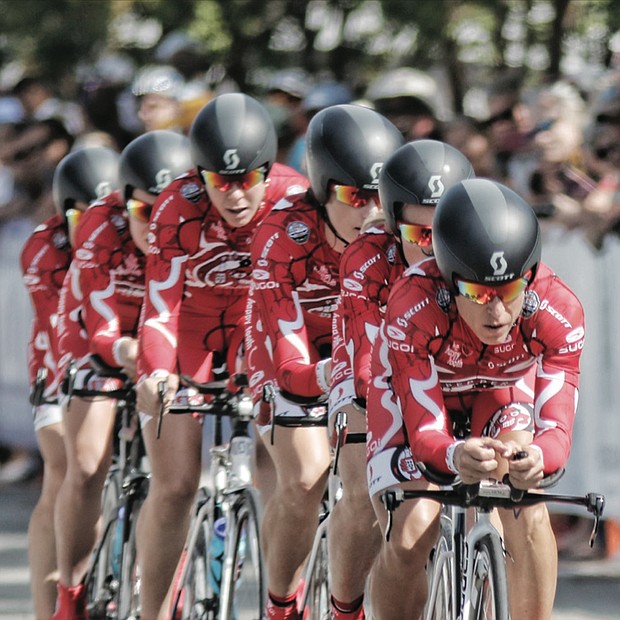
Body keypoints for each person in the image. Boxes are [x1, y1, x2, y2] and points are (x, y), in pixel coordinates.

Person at [372, 177, 585, 620]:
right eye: (478, 292)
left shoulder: (557, 308)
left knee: (527, 503)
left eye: (508, 291)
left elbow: (556, 427)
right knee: (410, 533)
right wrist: (451, 453)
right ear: (449, 280)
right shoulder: (414, 301)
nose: (497, 312)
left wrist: (538, 456)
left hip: (498, 393)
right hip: (423, 398)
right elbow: (425, 429)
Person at [133, 93, 308, 620]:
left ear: (267, 171)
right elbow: (159, 306)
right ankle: (154, 612)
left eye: (247, 180)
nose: (234, 196)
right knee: (176, 485)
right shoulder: (176, 204)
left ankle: (285, 595)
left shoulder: (292, 196)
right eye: (219, 181)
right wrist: (158, 371)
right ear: (199, 174)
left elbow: (308, 300)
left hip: (261, 324)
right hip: (192, 326)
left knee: (286, 470)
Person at [244, 103, 404, 620]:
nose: (371, 211)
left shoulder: (398, 237)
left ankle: (346, 608)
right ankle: (281, 604)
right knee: (308, 477)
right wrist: (326, 375)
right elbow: (288, 359)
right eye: (356, 196)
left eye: (381, 196)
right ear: (321, 186)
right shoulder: (283, 233)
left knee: (362, 491)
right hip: (291, 355)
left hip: (357, 359)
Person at [330, 140, 475, 620]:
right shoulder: (368, 258)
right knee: (375, 507)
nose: (432, 244)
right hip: (371, 375)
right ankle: (345, 609)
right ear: (392, 225)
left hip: (454, 376)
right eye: (417, 230)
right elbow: (374, 368)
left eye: (444, 229)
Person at [52, 134, 192, 620]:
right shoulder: (99, 226)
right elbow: (98, 328)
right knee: (89, 465)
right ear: (122, 200)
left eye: (166, 213)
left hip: (164, 341)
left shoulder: (194, 228)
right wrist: (127, 352)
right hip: (99, 335)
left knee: (177, 480)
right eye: (143, 213)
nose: (156, 227)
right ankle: (69, 590)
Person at [20, 145, 119, 620]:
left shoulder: (131, 233)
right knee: (62, 467)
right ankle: (48, 607)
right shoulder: (44, 247)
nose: (95, 224)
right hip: (58, 361)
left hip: (121, 356)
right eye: (83, 215)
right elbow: (62, 330)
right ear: (63, 213)